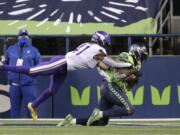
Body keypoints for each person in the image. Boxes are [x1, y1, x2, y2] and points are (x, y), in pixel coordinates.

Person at [0, 31, 132, 121]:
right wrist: (126, 64)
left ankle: (33, 105)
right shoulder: (98, 50)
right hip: (62, 63)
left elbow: (104, 67)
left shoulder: (91, 49)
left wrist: (122, 74)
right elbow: (110, 62)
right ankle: (3, 67)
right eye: (106, 42)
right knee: (31, 71)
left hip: (64, 66)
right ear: (101, 40)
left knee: (52, 90)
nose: (106, 46)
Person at [57, 44, 148, 126]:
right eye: (143, 55)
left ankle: (71, 121)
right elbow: (118, 72)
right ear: (137, 52)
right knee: (129, 110)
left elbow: (128, 85)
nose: (143, 58)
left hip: (114, 88)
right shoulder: (126, 56)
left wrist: (133, 79)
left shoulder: (138, 65)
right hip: (111, 85)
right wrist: (132, 72)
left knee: (101, 122)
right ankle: (99, 114)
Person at [2, 29, 41, 118]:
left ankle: (34, 130)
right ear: (18, 37)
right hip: (14, 85)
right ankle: (14, 130)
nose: (23, 37)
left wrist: (32, 76)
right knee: (14, 110)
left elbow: (39, 66)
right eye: (21, 35)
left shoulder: (34, 50)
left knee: (32, 109)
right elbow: (4, 64)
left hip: (29, 85)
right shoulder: (10, 49)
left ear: (28, 37)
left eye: (25, 35)